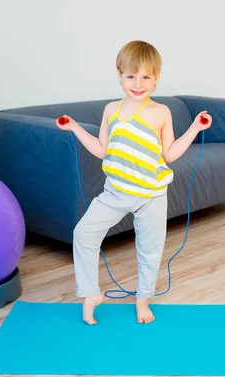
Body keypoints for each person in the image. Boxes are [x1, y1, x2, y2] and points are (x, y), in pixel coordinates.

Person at [56, 40, 212, 325]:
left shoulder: (161, 113)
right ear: (119, 75)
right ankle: (90, 293)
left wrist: (195, 128)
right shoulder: (110, 110)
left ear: (156, 78)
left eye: (146, 77)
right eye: (131, 76)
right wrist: (75, 128)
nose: (138, 84)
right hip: (114, 193)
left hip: (151, 195)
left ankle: (143, 300)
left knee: (150, 250)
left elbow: (170, 154)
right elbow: (102, 149)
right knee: (83, 234)